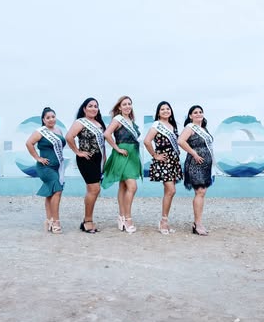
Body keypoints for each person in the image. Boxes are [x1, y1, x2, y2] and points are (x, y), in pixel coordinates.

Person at [102, 96, 143, 233]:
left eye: (129, 104)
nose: (127, 106)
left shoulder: (131, 121)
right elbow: (107, 134)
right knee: (132, 186)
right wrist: (117, 148)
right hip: (123, 155)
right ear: (119, 107)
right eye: (124, 104)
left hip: (132, 156)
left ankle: (121, 216)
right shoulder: (117, 119)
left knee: (123, 186)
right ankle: (128, 218)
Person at [65, 97, 106, 234]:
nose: (93, 108)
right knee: (94, 189)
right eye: (90, 106)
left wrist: (104, 159)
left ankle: (86, 220)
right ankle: (88, 221)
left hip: (98, 159)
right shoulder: (80, 122)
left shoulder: (99, 123)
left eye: (96, 106)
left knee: (93, 189)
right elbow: (69, 137)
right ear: (84, 109)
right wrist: (77, 152)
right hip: (86, 159)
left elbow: (102, 144)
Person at [143, 101, 183, 235]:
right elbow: (147, 141)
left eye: (168, 109)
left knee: (169, 191)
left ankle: (164, 221)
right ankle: (163, 221)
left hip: (173, 160)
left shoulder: (172, 125)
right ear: (158, 113)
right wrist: (155, 155)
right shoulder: (157, 125)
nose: (166, 111)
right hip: (164, 160)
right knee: (171, 190)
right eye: (162, 109)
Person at [25, 107, 66, 234]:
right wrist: (38, 158)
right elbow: (29, 143)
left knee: (50, 193)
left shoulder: (58, 130)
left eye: (53, 117)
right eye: (48, 118)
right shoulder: (40, 132)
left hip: (57, 167)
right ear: (43, 120)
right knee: (57, 190)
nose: (51, 119)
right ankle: (56, 221)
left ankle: (49, 220)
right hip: (45, 167)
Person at [178, 105, 214, 236]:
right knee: (200, 191)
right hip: (195, 163)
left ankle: (197, 223)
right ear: (190, 116)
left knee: (202, 193)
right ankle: (197, 224)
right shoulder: (190, 127)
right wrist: (194, 153)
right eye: (195, 112)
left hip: (205, 165)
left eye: (200, 112)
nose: (198, 114)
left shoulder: (204, 129)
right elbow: (181, 141)